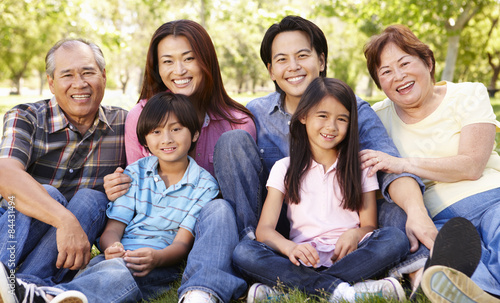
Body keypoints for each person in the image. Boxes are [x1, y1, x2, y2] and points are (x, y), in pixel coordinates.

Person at [214, 15, 436, 296]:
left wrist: (416, 213)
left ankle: (313, 285)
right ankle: (352, 287)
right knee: (232, 145)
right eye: (282, 59)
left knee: (395, 223)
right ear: (271, 70)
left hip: (345, 227)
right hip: (279, 230)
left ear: (321, 61)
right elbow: (228, 159)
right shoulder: (256, 112)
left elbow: (388, 164)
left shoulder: (353, 108)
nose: (293, 67)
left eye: (302, 55)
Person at [0, 92, 220, 303]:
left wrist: (157, 258)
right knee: (103, 269)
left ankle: (46, 296)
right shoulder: (135, 173)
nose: (167, 139)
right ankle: (46, 293)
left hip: (158, 265)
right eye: (156, 132)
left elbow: (183, 243)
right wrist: (111, 247)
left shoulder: (204, 185)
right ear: (145, 139)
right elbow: (113, 229)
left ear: (195, 133)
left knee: (117, 274)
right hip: (115, 257)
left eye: (176, 129)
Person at [103, 20, 255, 303]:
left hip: (217, 228)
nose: (179, 70)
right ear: (157, 68)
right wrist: (119, 186)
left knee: (219, 208)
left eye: (189, 59)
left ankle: (221, 278)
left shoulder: (238, 123)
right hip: (158, 235)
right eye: (168, 61)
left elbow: (241, 199)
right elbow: (139, 181)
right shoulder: (141, 115)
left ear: (206, 61)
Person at [233, 77, 409, 302]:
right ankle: (350, 292)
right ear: (304, 116)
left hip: (350, 258)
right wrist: (289, 248)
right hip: (301, 260)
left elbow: (369, 225)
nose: (331, 127)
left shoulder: (360, 166)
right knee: (244, 252)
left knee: (395, 238)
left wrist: (355, 234)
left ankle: (291, 292)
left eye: (342, 119)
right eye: (323, 116)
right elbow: (264, 231)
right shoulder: (284, 168)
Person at [362, 24, 500, 301]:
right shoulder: (376, 117)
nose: (398, 76)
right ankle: (481, 293)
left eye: (404, 63)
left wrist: (403, 164)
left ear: (428, 62)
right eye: (386, 72)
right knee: (448, 255)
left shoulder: (468, 94)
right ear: (380, 84)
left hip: (490, 198)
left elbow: (472, 165)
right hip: (433, 216)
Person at [0, 38, 127, 301]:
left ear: (103, 76)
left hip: (62, 249)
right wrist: (64, 220)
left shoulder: (126, 124)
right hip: (12, 229)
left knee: (93, 198)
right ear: (51, 83)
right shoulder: (26, 116)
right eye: (67, 75)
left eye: (88, 72)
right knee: (48, 193)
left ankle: (25, 289)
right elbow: (5, 173)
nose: (79, 84)